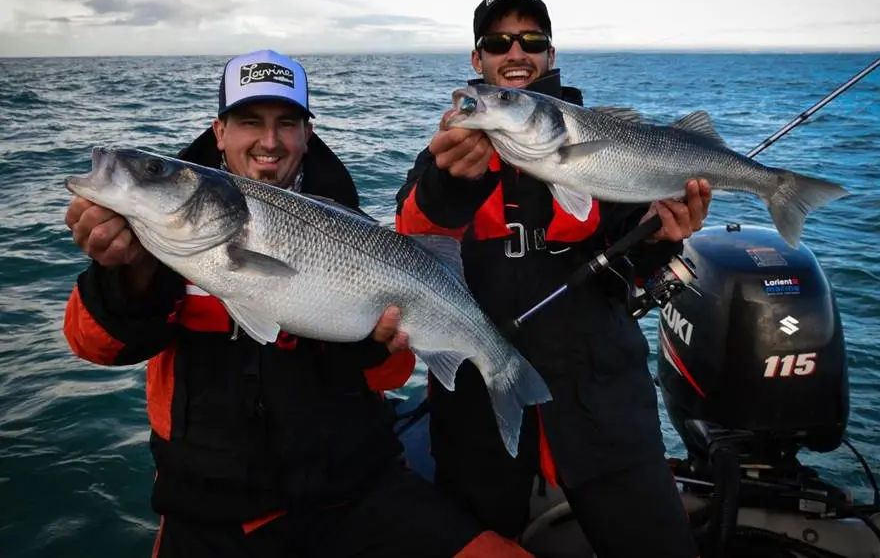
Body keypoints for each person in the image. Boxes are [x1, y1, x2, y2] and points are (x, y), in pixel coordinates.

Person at [62, 49, 533, 558]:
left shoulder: (347, 220)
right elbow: (96, 348)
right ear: (219, 131)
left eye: (287, 123)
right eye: (249, 122)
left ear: (307, 134)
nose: (269, 141)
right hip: (211, 515)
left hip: (356, 492)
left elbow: (392, 376)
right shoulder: (156, 236)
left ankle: (509, 375)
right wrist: (125, 274)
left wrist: (373, 348)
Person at [395, 0, 713, 557]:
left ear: (551, 53)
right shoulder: (446, 150)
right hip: (479, 405)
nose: (515, 51)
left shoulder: (604, 144)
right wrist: (449, 184)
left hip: (602, 400)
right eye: (497, 41)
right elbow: (410, 246)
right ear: (477, 60)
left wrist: (662, 234)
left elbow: (635, 262)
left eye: (531, 40)